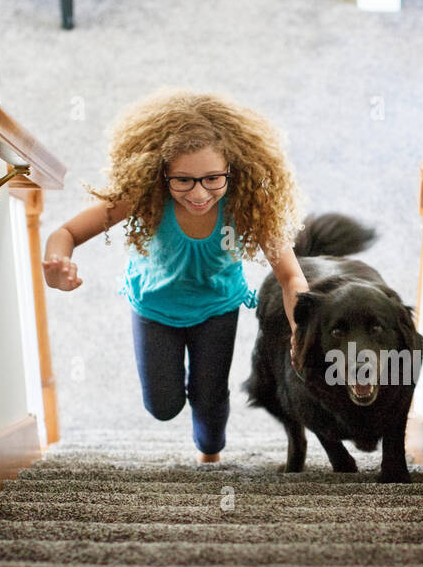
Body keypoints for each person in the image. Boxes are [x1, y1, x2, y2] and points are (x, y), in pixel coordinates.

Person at [41, 88, 310, 464]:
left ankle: (210, 456)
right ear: (160, 173)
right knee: (163, 407)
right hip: (154, 308)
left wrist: (301, 328)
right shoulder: (140, 194)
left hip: (216, 307)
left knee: (209, 396)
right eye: (183, 180)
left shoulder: (248, 203)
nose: (199, 193)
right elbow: (65, 234)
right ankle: (186, 418)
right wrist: (56, 264)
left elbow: (291, 278)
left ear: (234, 170)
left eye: (213, 178)